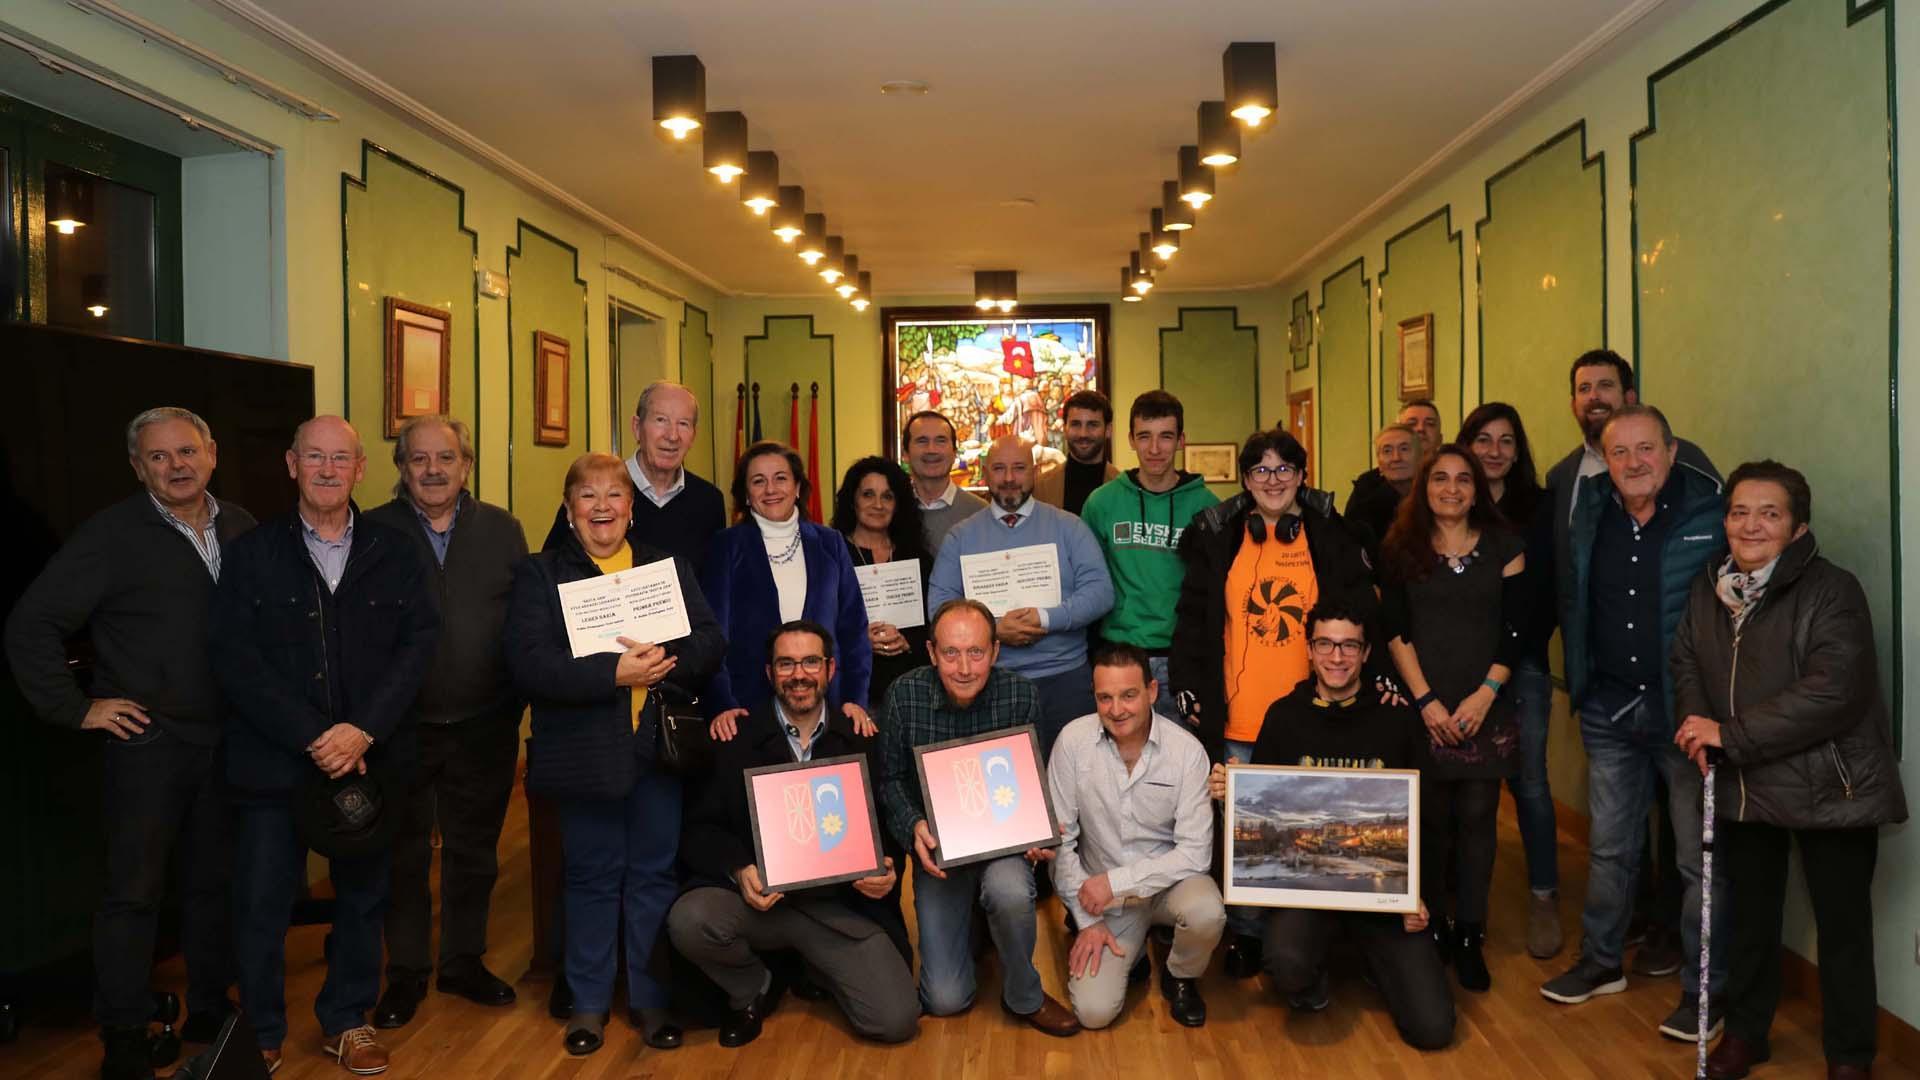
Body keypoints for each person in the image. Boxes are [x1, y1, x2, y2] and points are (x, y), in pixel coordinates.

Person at [4, 407, 254, 1080]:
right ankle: (122, 1033)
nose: (175, 465)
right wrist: (74, 708)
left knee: (211, 883)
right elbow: (31, 624)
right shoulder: (112, 535)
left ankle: (208, 1007)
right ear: (138, 467)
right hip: (149, 742)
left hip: (226, 739)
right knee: (133, 893)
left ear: (211, 453)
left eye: (186, 451)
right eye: (158, 457)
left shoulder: (241, 525)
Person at [211, 416, 438, 1076]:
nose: (328, 469)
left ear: (362, 468)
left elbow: (419, 645)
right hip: (275, 762)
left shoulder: (394, 551)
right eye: (315, 457)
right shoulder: (252, 554)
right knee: (262, 901)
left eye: (342, 458)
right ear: (291, 464)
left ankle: (346, 1020)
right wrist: (313, 735)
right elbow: (235, 659)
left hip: (369, 762)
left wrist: (363, 729)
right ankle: (262, 1028)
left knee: (364, 898)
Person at [1670, 462, 1907, 1080]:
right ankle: (1749, 1034)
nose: (1751, 525)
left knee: (1842, 930)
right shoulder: (1709, 585)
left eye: (1769, 513)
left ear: (1798, 527)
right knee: (1751, 923)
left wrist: (1730, 734)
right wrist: (1698, 723)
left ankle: (1850, 1056)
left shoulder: (1833, 590)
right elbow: (1688, 657)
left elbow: (1833, 692)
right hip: (1747, 785)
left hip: (1833, 788)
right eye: (1740, 512)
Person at [504, 452, 725, 1057]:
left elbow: (710, 640)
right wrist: (614, 672)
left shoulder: (664, 568)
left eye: (614, 496)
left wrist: (663, 663)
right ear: (569, 511)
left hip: (658, 750)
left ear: (631, 509)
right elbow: (529, 664)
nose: (602, 507)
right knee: (592, 879)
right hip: (584, 756)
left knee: (653, 877)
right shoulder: (540, 575)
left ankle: (652, 1002)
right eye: (587, 496)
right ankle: (589, 1005)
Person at [1540, 404, 1727, 1044]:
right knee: (1610, 848)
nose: (1634, 463)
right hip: (1610, 709)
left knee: (1696, 861)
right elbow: (1572, 590)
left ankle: (1706, 992)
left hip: (1685, 715)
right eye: (1621, 453)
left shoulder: (1711, 512)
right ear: (1606, 460)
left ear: (1672, 452)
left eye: (1647, 449)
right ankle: (1600, 962)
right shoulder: (1591, 507)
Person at [1169, 427, 1374, 976]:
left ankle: (1306, 936)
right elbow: (1192, 621)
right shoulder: (1220, 538)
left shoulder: (1328, 537)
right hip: (1237, 718)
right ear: (1245, 480)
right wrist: (1187, 687)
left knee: (1310, 827)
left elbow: (1359, 616)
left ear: (1303, 477)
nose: (1274, 480)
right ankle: (1250, 936)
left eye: (1285, 469)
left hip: (1309, 719)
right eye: (1261, 470)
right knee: (1247, 837)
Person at [1207, 599, 1454, 1050]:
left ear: (1365, 652)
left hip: (1384, 897)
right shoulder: (1283, 717)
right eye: (1325, 644)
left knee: (1433, 1030)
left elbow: (1431, 820)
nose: (1336, 657)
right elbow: (1260, 818)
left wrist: (1425, 899)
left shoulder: (1396, 718)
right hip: (1309, 896)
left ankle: (1373, 960)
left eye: (1348, 646)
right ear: (1309, 648)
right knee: (1285, 962)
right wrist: (1232, 795)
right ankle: (1315, 980)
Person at [667, 621, 917, 1048]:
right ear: (769, 673)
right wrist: (738, 868)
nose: (798, 674)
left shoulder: (862, 739)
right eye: (785, 663)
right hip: (764, 907)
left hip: (840, 912)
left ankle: (814, 966)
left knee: (895, 1021)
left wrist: (888, 871)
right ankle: (754, 985)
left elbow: (888, 830)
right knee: (691, 919)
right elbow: (699, 829)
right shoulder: (735, 739)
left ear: (830, 669)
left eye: (810, 662)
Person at [364, 416, 527, 1028]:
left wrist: (512, 701)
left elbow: (520, 621)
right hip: (399, 727)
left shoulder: (501, 529)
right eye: (419, 459)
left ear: (467, 465)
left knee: (475, 850)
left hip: (484, 719)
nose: (433, 470)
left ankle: (462, 960)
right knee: (402, 854)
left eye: (446, 458)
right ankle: (405, 973)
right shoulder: (373, 531)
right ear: (401, 468)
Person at [875, 599, 1081, 1036]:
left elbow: (1031, 781)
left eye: (976, 653)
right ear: (931, 653)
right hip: (941, 853)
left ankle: (1024, 993)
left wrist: (1036, 831)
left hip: (1001, 848)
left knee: (1008, 892)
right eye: (950, 653)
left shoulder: (1020, 695)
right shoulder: (903, 695)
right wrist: (913, 824)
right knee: (945, 1001)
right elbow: (889, 778)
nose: (964, 667)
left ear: (995, 652)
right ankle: (977, 927)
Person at [1379, 444, 1525, 992]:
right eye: (1440, 478)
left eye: (1464, 479)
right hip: (1426, 705)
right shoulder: (1401, 548)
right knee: (1432, 821)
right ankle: (1433, 923)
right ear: (1424, 486)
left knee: (1479, 821)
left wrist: (1486, 693)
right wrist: (1426, 702)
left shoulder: (1505, 547)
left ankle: (1470, 933)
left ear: (1477, 489)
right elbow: (1395, 630)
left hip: (1487, 703)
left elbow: (1518, 628)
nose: (1452, 488)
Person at [1049, 642, 1221, 1030]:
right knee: (1094, 1014)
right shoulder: (1072, 743)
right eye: (1104, 698)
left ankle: (1181, 974)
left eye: (1128, 695)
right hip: (1099, 899)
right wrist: (1085, 920)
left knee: (1207, 912)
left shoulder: (1187, 752)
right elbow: (1060, 843)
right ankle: (1136, 953)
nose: (1116, 709)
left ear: (1152, 691)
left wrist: (1116, 882)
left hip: (1166, 885)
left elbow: (1195, 854)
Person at [928, 435, 1115, 755]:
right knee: (1003, 788)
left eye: (1019, 468)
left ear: (1035, 471)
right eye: (999, 469)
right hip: (988, 683)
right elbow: (938, 606)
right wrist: (994, 630)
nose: (1009, 478)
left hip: (1065, 680)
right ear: (985, 473)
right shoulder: (961, 536)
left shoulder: (1069, 527)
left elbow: (1101, 592)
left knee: (1072, 783)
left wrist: (1046, 618)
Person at [1459, 402, 1563, 959]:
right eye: (1483, 440)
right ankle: (1457, 902)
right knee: (1464, 786)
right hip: (1459, 663)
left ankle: (1544, 895)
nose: (1494, 451)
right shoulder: (1451, 501)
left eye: (1505, 441)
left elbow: (1544, 592)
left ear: (1518, 451)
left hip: (1521, 665)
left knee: (1531, 785)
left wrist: (1512, 650)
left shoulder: (1540, 509)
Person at [704, 441, 873, 738]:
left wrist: (854, 700)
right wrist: (723, 703)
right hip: (746, 710)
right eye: (758, 481)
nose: (771, 489)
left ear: (797, 487)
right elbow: (714, 635)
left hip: (826, 708)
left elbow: (853, 629)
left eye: (781, 478)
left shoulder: (831, 543)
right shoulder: (726, 546)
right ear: (746, 494)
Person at [1079, 390, 1220, 721]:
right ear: (1130, 439)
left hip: (1182, 660)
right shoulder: (1101, 503)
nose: (1155, 449)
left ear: (1181, 440)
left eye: (1165, 437)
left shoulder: (1207, 507)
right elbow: (1086, 582)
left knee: (1179, 762)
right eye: (1145, 437)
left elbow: (1215, 591)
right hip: (1118, 655)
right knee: (1116, 762)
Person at [541, 381, 726, 574]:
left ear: (693, 435)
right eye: (661, 420)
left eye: (683, 424)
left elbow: (714, 583)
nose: (672, 435)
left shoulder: (709, 501)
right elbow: (551, 572)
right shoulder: (592, 495)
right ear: (637, 427)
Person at [832, 456, 931, 711]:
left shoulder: (917, 557)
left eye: (887, 496)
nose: (878, 504)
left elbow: (935, 623)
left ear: (898, 504)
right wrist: (858, 638)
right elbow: (820, 620)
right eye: (868, 494)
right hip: (850, 690)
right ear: (852, 501)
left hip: (911, 691)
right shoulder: (831, 554)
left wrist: (907, 641)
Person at [904, 410, 988, 553]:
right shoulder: (891, 510)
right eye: (922, 441)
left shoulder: (981, 513)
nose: (931, 449)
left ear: (954, 453)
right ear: (905, 454)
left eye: (941, 441)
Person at [1035, 388, 1118, 516]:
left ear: (1108, 430)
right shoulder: (1040, 487)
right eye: (1075, 424)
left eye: (1092, 425)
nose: (1083, 434)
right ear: (1064, 428)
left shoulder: (1125, 489)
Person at [1344, 424, 1420, 549]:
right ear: (1378, 462)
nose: (1396, 458)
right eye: (1387, 451)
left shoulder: (1434, 494)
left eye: (1404, 449)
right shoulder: (1366, 498)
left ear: (1420, 457)